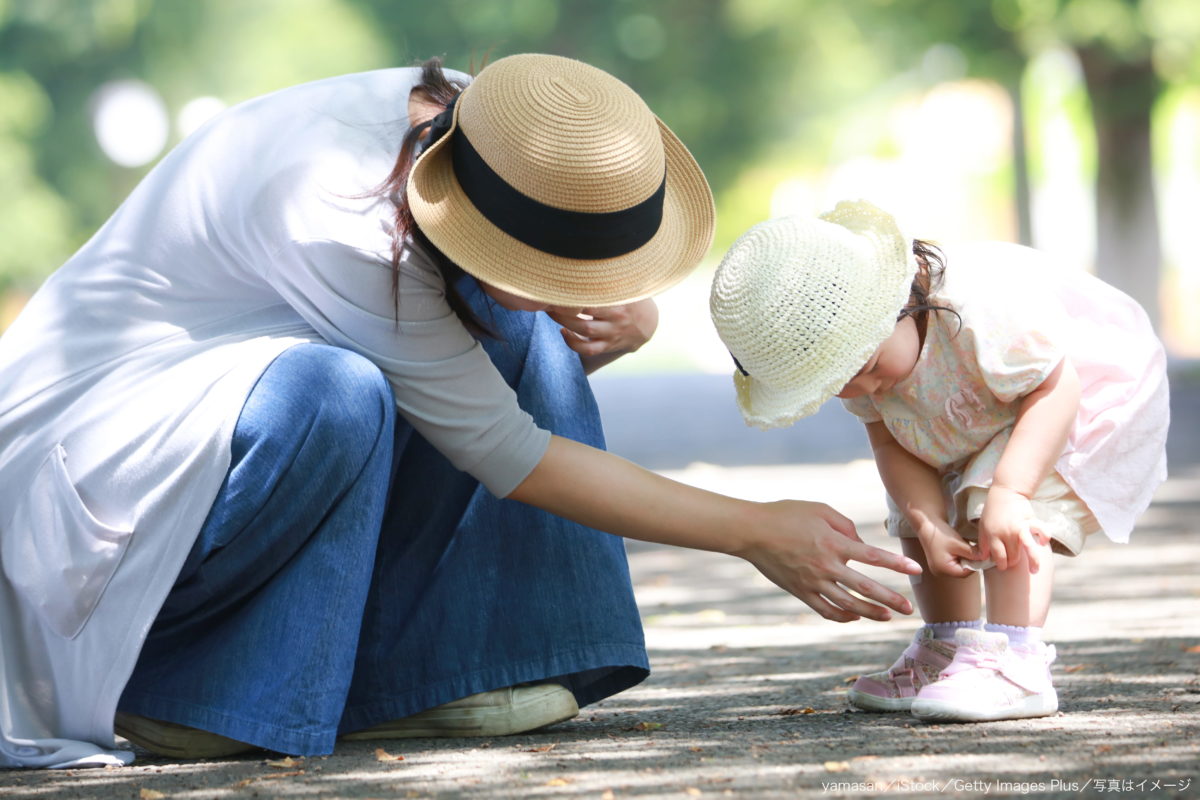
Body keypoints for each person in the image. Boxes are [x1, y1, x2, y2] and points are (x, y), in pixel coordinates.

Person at [0, 58, 922, 769]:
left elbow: (532, 318)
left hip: (216, 416)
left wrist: (622, 307)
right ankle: (183, 686)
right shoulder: (335, 211)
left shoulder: (503, 128)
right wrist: (752, 529)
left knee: (512, 335)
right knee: (339, 390)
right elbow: (508, 452)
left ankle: (464, 665)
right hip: (99, 464)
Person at [710, 200, 1169, 723]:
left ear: (900, 305)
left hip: (1069, 399)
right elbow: (891, 443)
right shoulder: (861, 368)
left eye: (866, 365)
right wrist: (928, 524)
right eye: (834, 386)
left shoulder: (979, 312)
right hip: (979, 414)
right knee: (917, 511)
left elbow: (1054, 386)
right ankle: (950, 647)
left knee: (999, 509)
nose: (860, 389)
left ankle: (1015, 660)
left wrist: (1012, 492)